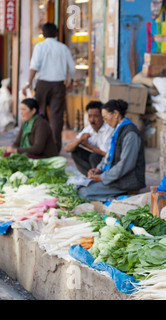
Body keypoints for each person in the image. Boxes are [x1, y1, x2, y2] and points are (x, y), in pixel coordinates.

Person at [22, 22, 76, 153]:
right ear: (56, 33)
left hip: (43, 84)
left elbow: (34, 66)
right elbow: (72, 68)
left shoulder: (39, 47)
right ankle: (55, 147)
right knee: (57, 117)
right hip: (58, 85)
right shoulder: (63, 48)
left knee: (39, 114)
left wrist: (28, 83)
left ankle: (39, 144)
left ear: (43, 34)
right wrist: (70, 82)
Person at [77, 99, 146, 202]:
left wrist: (103, 177)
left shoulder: (130, 133)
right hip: (117, 177)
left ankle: (116, 196)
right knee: (79, 188)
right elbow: (108, 155)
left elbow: (126, 164)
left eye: (105, 118)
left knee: (83, 193)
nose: (105, 122)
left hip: (127, 180)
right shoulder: (117, 130)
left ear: (116, 114)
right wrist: (99, 169)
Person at [65, 101, 114, 176]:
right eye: (90, 116)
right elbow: (67, 149)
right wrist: (79, 140)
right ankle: (89, 176)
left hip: (108, 163)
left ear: (102, 116)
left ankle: (98, 177)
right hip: (96, 161)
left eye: (95, 116)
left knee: (94, 156)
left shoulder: (109, 129)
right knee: (75, 151)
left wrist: (87, 145)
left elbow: (105, 153)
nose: (92, 120)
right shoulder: (88, 129)